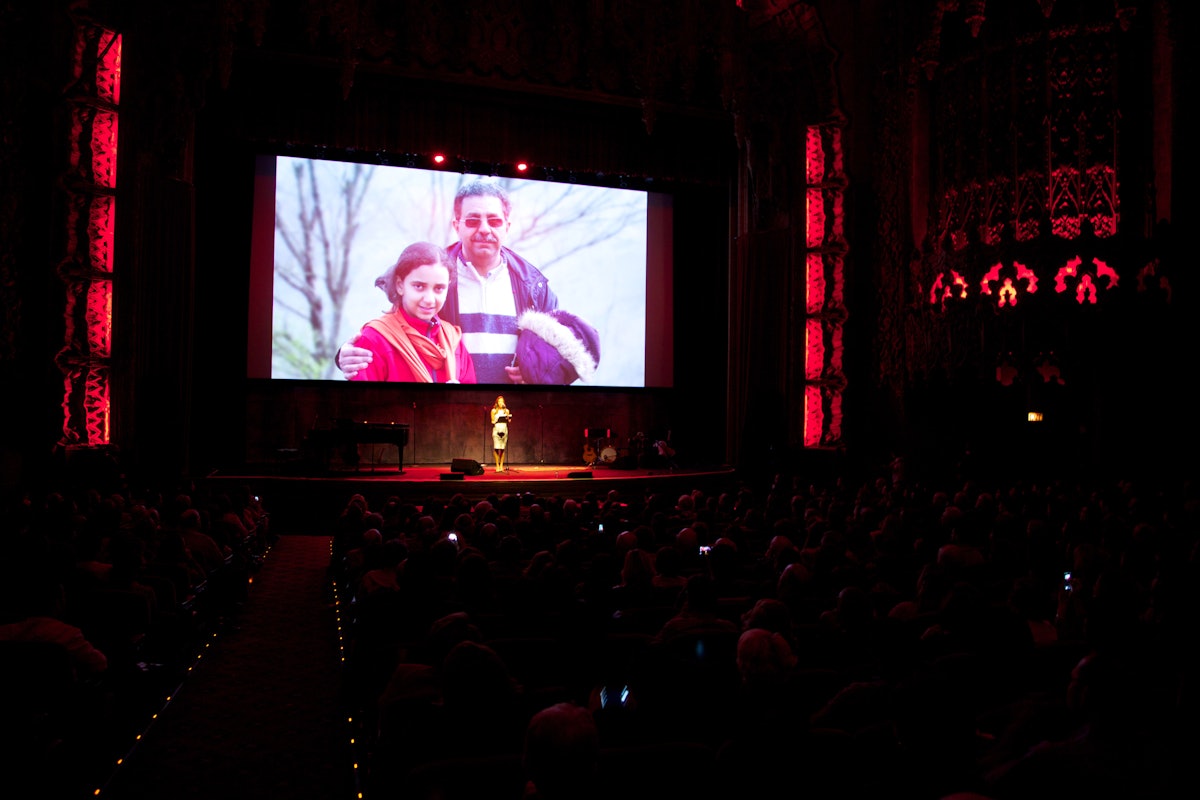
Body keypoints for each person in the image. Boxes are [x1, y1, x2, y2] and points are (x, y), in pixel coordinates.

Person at [337, 179, 599, 384]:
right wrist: (345, 355)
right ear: (456, 224)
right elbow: (394, 329)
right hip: (452, 412)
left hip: (513, 413)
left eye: (494, 220)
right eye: (473, 220)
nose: (484, 229)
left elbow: (560, 355)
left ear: (507, 226)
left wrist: (537, 373)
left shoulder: (533, 285)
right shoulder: (435, 274)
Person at [347, 241, 476, 383]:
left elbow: (470, 400)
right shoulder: (374, 339)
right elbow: (361, 401)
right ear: (400, 285)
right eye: (419, 286)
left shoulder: (454, 342)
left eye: (439, 288)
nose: (429, 299)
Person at [490, 395, 511, 472]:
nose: (501, 403)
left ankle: (501, 465)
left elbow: (508, 420)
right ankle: (497, 465)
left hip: (504, 429)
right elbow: (492, 421)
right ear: (497, 402)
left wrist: (508, 418)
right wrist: (496, 420)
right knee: (496, 448)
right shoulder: (494, 411)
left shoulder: (507, 411)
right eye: (499, 401)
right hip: (497, 429)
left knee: (502, 449)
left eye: (502, 401)